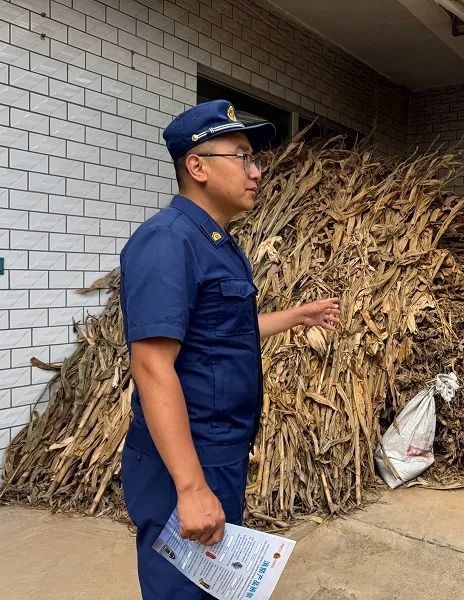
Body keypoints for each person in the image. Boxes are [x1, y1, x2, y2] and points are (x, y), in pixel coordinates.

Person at [119, 99, 340, 599]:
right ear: (197, 167)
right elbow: (151, 365)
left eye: (253, 159)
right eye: (241, 156)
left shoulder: (215, 242)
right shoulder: (167, 241)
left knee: (208, 585)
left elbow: (217, 335)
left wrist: (295, 317)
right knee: (182, 590)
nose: (255, 171)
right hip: (184, 456)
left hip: (217, 452)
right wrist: (191, 486)